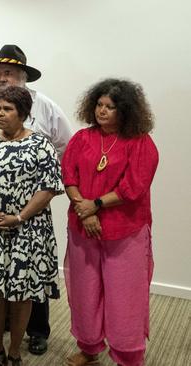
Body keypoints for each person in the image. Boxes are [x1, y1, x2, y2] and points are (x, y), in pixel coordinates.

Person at [0, 44, 72, 354]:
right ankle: (2, 327)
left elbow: (66, 146)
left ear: (23, 76)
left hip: (28, 217)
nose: (2, 77)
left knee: (28, 281)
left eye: (9, 73)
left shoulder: (47, 108)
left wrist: (33, 201)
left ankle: (36, 331)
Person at [62, 79, 158, 366]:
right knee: (85, 290)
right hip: (83, 226)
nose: (102, 111)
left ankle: (128, 356)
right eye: (99, 105)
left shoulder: (141, 143)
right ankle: (89, 347)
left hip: (124, 230)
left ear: (125, 111)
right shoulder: (82, 138)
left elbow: (134, 187)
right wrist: (86, 210)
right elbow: (69, 176)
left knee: (124, 296)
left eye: (110, 107)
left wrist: (96, 205)